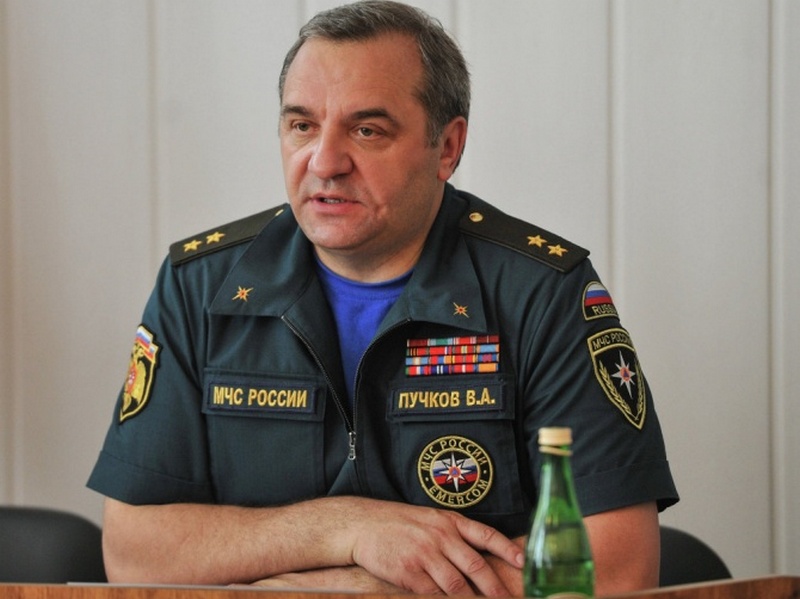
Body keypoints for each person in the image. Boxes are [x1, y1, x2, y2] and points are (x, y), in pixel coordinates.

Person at [87, 1, 678, 596]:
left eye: (367, 130)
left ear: (447, 148)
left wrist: (363, 590)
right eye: (302, 126)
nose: (324, 162)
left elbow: (618, 567)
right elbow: (134, 553)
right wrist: (343, 529)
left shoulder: (542, 292)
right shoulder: (200, 286)